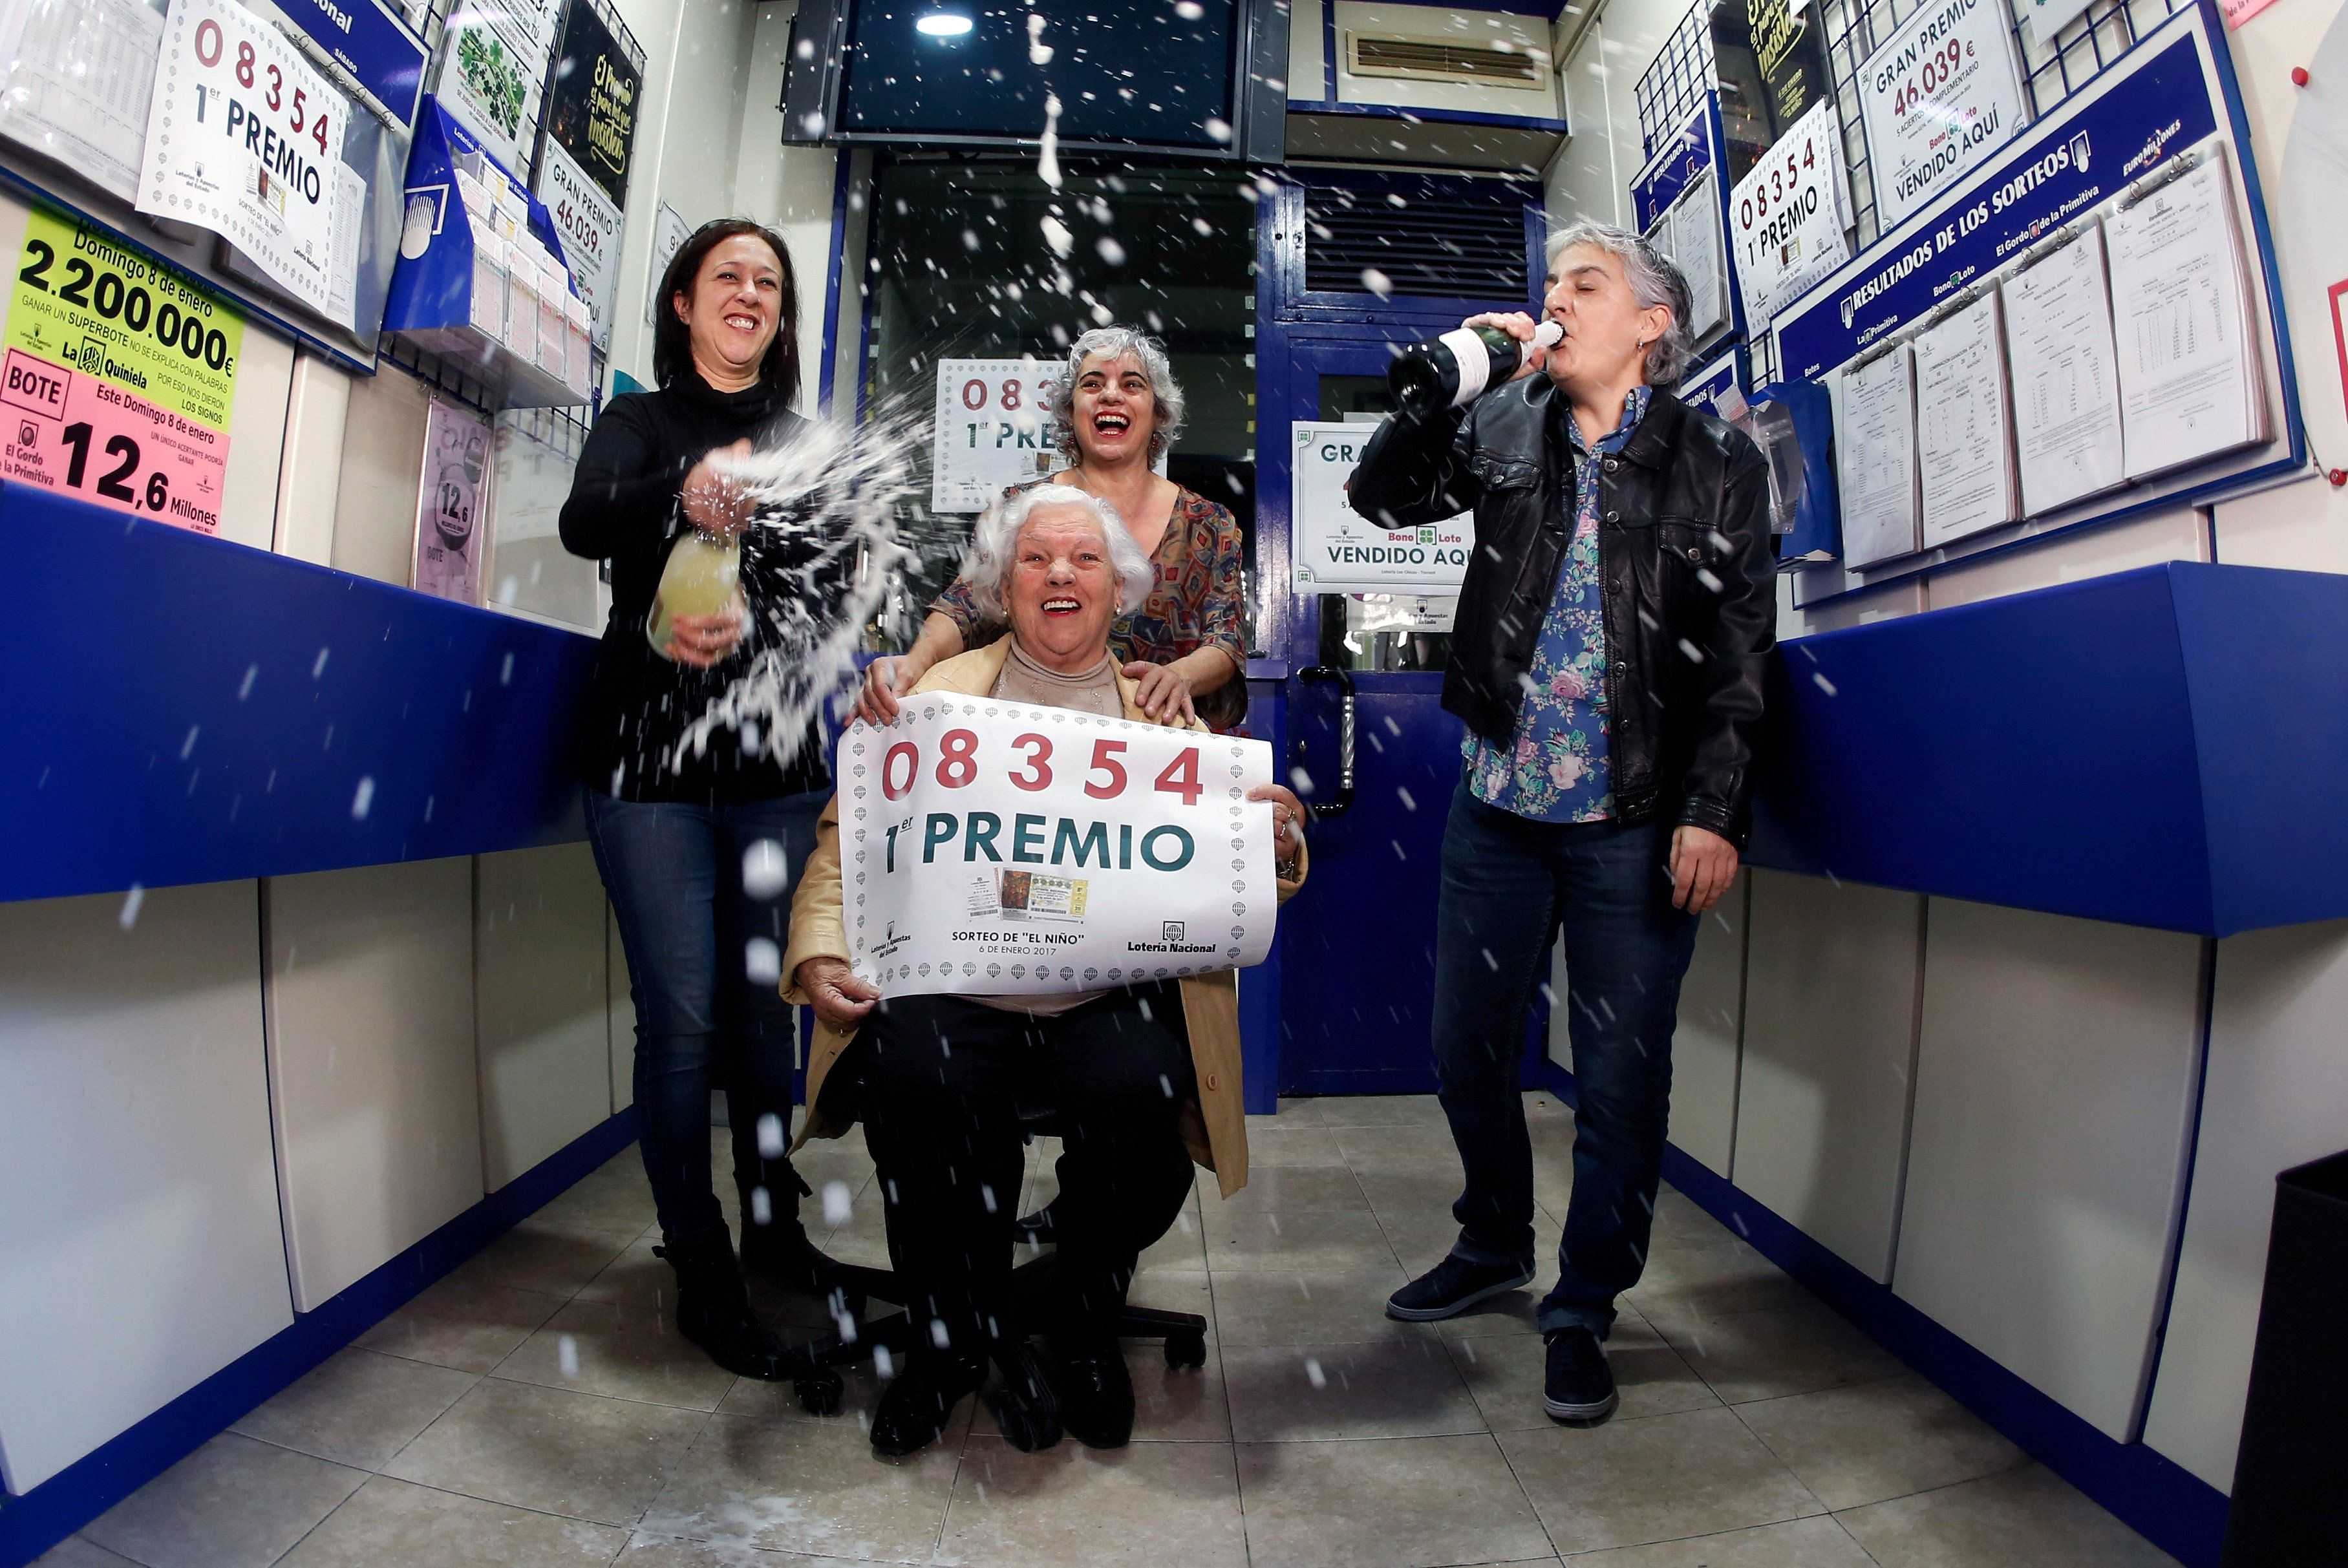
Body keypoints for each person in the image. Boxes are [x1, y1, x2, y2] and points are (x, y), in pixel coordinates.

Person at [1349, 221, 1774, 1425]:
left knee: (1622, 1080)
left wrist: (1714, 810)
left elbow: (1741, 655)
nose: (1554, 304)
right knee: (1463, 1048)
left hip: (1635, 822)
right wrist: (1444, 387)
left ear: (1651, 323)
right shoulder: (1506, 422)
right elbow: (1378, 500)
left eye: (1583, 287)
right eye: (1551, 287)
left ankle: (1583, 1303)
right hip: (1500, 805)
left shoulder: (1717, 465)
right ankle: (1492, 1239)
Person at [785, 485, 1308, 1457]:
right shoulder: (938, 700)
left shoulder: (1162, 716)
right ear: (1003, 584)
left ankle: (1081, 1322)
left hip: (1100, 993)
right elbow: (842, 848)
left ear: (1120, 590)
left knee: (1144, 1095)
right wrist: (818, 951)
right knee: (921, 1081)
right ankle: (948, 1339)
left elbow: (1230, 878)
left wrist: (1271, 841)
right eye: (1036, 560)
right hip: (953, 987)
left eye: (1084, 561)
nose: (1060, 574)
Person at [557, 218, 834, 1383]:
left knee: (767, 1021)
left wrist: (767, 599)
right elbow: (584, 522)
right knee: (682, 1022)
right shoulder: (641, 423)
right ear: (683, 302)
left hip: (773, 775)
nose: (750, 293)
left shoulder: (806, 442)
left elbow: (835, 583)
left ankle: (773, 1221)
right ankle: (701, 1259)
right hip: (649, 771)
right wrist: (689, 491)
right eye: (729, 275)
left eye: (768, 283)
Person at [856, 326, 1248, 730]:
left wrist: (1181, 676)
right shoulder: (1019, 508)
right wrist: (914, 664)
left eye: (1132, 384)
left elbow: (1226, 640)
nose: (1111, 394)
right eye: (1092, 383)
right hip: (1028, 735)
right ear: (1069, 411)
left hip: (1158, 743)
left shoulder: (1208, 523)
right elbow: (966, 604)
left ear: (1158, 413)